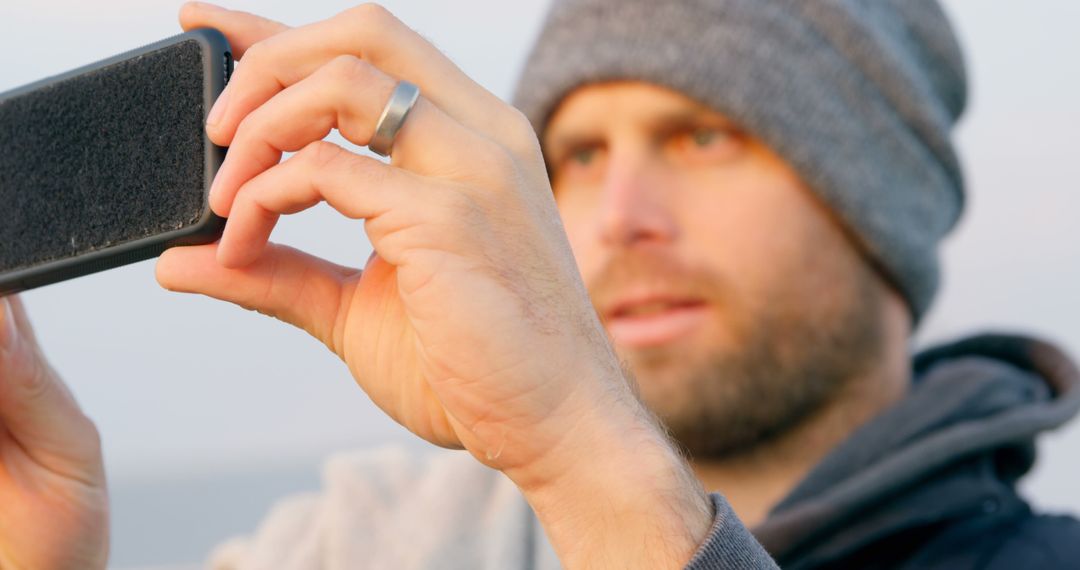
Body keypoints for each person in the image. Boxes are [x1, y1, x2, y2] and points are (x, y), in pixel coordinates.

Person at [0, 0, 1077, 568]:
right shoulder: (372, 542)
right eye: (584, 155)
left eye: (704, 138)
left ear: (880, 201)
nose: (618, 218)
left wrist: (581, 452)